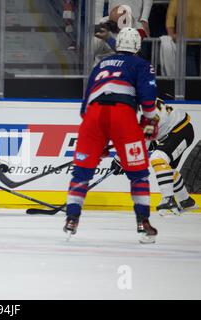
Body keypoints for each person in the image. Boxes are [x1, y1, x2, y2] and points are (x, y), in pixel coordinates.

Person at [63, 28, 160, 244]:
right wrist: (151, 121)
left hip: (93, 117)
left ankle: (72, 218)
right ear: (136, 46)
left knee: (81, 173)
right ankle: (143, 222)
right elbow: (147, 101)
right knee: (138, 174)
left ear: (118, 45)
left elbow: (84, 108)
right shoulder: (142, 65)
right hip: (122, 116)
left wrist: (102, 141)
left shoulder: (100, 65)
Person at [111, 98, 198, 215]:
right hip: (174, 131)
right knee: (167, 171)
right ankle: (186, 201)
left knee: (158, 158)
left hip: (180, 131)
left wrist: (120, 160)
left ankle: (168, 199)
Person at [166, 0, 201, 76]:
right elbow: (170, 16)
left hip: (196, 42)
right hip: (186, 44)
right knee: (191, 76)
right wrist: (171, 34)